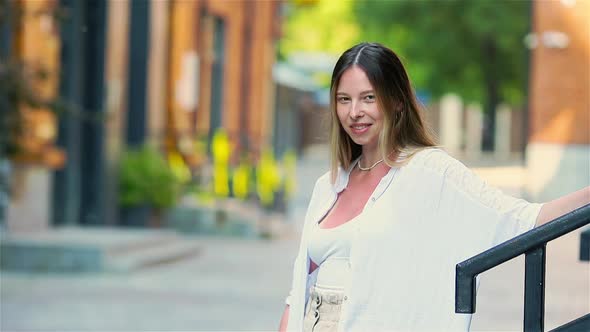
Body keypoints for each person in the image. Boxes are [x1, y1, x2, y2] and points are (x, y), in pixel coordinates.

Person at [278, 42, 589, 332]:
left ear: (397, 102)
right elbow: (298, 290)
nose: (354, 111)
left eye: (368, 97)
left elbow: (521, 218)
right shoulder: (328, 186)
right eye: (344, 99)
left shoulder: (428, 171)